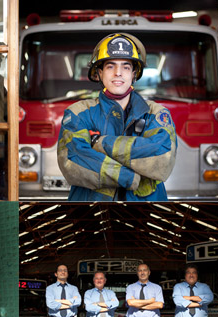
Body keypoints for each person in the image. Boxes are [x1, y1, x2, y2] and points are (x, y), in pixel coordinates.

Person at [58, 32, 177, 201]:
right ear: (99, 72)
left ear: (134, 73)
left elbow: (161, 158)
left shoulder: (156, 113)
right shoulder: (78, 113)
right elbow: (73, 159)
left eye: (126, 67)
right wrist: (130, 177)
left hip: (146, 213)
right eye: (110, 66)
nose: (118, 73)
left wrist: (98, 143)